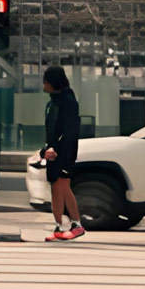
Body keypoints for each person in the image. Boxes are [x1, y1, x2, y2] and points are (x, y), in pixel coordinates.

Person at [41, 66, 84, 240]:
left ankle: (76, 223)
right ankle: (59, 226)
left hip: (64, 153)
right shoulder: (52, 103)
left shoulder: (69, 103)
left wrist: (55, 149)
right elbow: (51, 131)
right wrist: (46, 150)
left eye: (46, 82)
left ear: (53, 83)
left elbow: (70, 132)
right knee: (56, 188)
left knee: (63, 186)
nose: (44, 85)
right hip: (53, 152)